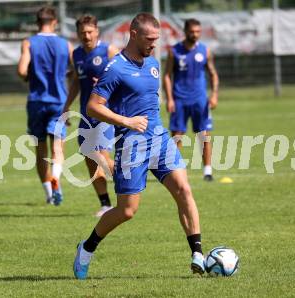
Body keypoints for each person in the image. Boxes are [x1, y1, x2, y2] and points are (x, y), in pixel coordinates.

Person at [73, 13, 205, 280]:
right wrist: (126, 121)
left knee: (184, 190)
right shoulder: (115, 68)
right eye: (150, 39)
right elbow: (93, 106)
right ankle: (87, 248)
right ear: (133, 34)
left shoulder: (154, 64)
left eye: (157, 39)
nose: (154, 44)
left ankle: (198, 255)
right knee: (127, 211)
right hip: (131, 146)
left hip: (160, 139)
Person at [63, 15, 119, 217]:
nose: (86, 36)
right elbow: (77, 82)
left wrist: (105, 84)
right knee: (89, 159)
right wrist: (66, 106)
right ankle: (105, 205)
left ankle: (130, 184)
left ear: (97, 31)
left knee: (102, 157)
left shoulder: (109, 51)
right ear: (77, 34)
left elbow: (124, 78)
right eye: (82, 33)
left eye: (89, 32)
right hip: (86, 116)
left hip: (106, 113)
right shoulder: (76, 54)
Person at [17, 6, 73, 205]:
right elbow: (75, 70)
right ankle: (56, 177)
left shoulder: (29, 43)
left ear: (37, 22)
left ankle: (49, 194)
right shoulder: (65, 45)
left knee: (40, 151)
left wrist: (31, 76)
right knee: (58, 148)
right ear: (55, 22)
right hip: (59, 101)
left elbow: (22, 70)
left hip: (37, 102)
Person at [163, 18, 219, 181]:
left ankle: (207, 171)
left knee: (204, 135)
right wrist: (169, 99)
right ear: (185, 32)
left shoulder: (205, 51)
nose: (195, 35)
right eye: (192, 31)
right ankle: (175, 170)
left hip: (200, 100)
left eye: (198, 32)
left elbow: (213, 74)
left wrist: (214, 94)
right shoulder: (174, 51)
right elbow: (167, 75)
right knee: (177, 135)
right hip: (179, 99)